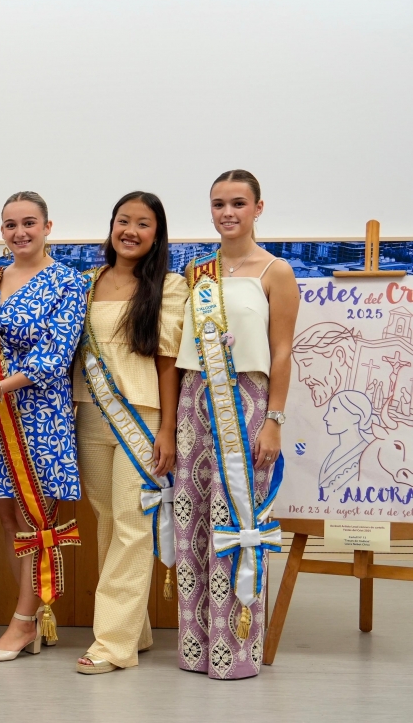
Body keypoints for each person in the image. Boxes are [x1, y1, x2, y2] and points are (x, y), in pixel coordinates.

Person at [173, 169, 299, 680]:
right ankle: (195, 648)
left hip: (246, 402)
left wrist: (274, 420)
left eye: (238, 203)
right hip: (193, 401)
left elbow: (284, 350)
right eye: (219, 204)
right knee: (193, 522)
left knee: (237, 522)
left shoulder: (276, 271)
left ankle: (237, 651)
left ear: (258, 208)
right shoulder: (196, 272)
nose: (228, 212)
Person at [0, 191, 87, 662]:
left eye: (29, 223)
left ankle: (22, 623)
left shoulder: (67, 283)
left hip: (36, 415)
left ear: (48, 227)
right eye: (10, 224)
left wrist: (0, 386)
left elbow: (55, 354)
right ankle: (31, 618)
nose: (20, 232)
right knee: (12, 521)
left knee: (38, 519)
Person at [71, 192, 186, 674]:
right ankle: (132, 630)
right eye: (124, 221)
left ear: (157, 233)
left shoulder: (170, 285)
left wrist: (167, 428)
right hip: (90, 413)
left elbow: (167, 364)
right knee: (107, 519)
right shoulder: (87, 283)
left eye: (143, 223)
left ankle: (111, 644)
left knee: (132, 521)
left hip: (140, 417)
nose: (131, 231)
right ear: (111, 225)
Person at [318, 390, 375, 491]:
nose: (325, 417)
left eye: (334, 410)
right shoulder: (332, 454)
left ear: (356, 417)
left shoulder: (368, 454)